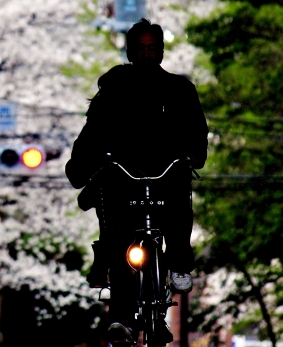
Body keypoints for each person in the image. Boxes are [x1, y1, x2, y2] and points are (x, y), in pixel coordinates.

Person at [65, 18, 208, 344]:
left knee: (178, 205)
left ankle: (179, 263)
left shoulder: (180, 90)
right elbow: (92, 133)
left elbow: (197, 131)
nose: (146, 55)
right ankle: (120, 318)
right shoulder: (112, 90)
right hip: (121, 178)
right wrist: (81, 165)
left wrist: (193, 155)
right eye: (139, 48)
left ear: (160, 50)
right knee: (116, 238)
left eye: (152, 48)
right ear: (130, 51)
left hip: (167, 175)